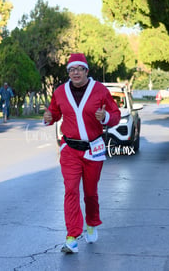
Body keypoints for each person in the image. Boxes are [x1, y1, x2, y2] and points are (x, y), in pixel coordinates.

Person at [43, 53, 121, 253]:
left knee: (90, 192)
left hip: (93, 149)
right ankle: (72, 236)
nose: (75, 73)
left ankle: (92, 222)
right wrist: (49, 117)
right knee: (70, 190)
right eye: (71, 69)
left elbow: (116, 115)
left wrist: (105, 117)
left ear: (86, 71)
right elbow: (55, 112)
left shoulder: (100, 91)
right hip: (69, 149)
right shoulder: (60, 91)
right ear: (68, 72)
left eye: (79, 69)